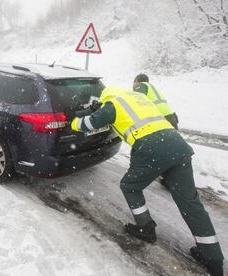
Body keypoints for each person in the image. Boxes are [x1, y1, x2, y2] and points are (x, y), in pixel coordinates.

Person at [70, 86, 224, 276]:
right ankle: (213, 257)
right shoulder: (138, 98)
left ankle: (145, 228)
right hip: (178, 144)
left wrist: (75, 122)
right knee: (190, 202)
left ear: (105, 97)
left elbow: (89, 124)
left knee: (130, 186)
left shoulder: (112, 104)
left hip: (152, 147)